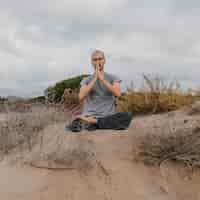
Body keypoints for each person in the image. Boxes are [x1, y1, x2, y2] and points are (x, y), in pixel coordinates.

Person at [66, 49, 133, 132]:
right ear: (92, 62)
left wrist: (102, 79)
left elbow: (118, 94)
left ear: (104, 60)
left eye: (100, 59)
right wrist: (95, 79)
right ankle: (92, 123)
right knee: (74, 124)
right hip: (89, 115)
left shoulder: (113, 78)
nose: (98, 62)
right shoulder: (86, 80)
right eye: (95, 60)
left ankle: (94, 123)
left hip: (107, 116)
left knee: (127, 116)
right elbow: (81, 97)